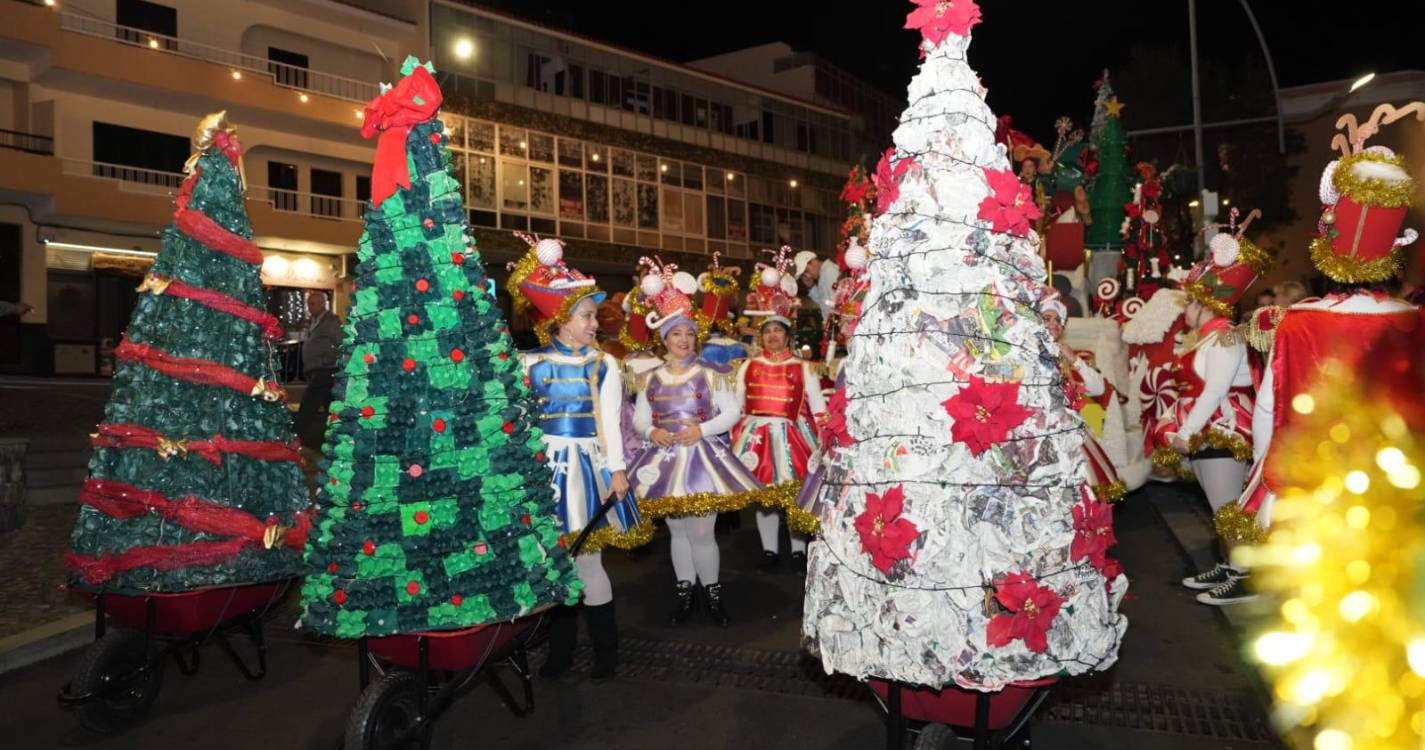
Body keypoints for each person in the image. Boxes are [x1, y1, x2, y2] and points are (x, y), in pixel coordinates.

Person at [1234, 132, 1421, 604]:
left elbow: (1268, 410)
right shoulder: (1414, 321)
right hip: (1394, 493)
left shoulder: (1297, 321)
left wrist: (1262, 479)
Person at [508, 234, 653, 680]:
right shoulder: (528, 364)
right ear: (560, 319)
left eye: (593, 316)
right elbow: (519, 423)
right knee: (554, 559)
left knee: (588, 561)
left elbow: (610, 422)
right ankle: (560, 652)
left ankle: (607, 654)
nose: (595, 324)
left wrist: (617, 473)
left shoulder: (604, 364)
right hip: (542, 471)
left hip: (587, 469)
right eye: (587, 316)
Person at [626, 259, 762, 626]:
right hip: (665, 461)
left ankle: (713, 595)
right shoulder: (649, 376)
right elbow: (640, 417)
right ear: (664, 338)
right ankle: (685, 592)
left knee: (702, 531)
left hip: (702, 459)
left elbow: (732, 412)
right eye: (675, 334)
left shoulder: (712, 372)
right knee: (676, 530)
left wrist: (701, 430)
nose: (683, 340)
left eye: (688, 333)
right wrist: (650, 432)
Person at [1169, 214, 1272, 606]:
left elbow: (1214, 391)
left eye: (1190, 303)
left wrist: (1186, 433)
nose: (1185, 310)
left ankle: (1245, 576)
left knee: (1229, 507)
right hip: (1210, 429)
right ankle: (1230, 566)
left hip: (1225, 429)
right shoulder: (1206, 339)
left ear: (1204, 303)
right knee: (1220, 506)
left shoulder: (1224, 338)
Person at [732, 252, 825, 572]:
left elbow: (818, 407)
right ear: (761, 335)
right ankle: (769, 550)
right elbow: (737, 404)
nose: (772, 335)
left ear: (788, 334)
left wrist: (825, 441)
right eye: (767, 330)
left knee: (794, 496)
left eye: (778, 330)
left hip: (792, 438)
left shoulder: (803, 368)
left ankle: (798, 550)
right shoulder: (748, 366)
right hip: (756, 438)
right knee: (765, 499)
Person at [1043, 291, 1126, 501]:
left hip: (1071, 435)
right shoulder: (1023, 353)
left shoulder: (1067, 357)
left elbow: (1098, 388)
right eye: (1047, 318)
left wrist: (1074, 359)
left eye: (1058, 320)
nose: (1054, 323)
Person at [294, 290, 342, 450]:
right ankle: (338, 439)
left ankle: (295, 439)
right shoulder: (314, 321)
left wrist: (328, 360)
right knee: (331, 406)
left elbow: (341, 342)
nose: (309, 307)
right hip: (317, 370)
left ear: (323, 304)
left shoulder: (331, 321)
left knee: (308, 405)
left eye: (313, 303)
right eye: (308, 304)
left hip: (325, 370)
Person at [795, 249, 840, 323]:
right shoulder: (824, 274)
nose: (808, 276)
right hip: (833, 324)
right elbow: (823, 302)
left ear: (814, 261)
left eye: (806, 270)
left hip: (836, 324)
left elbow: (836, 303)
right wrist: (811, 286)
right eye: (804, 275)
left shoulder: (829, 271)